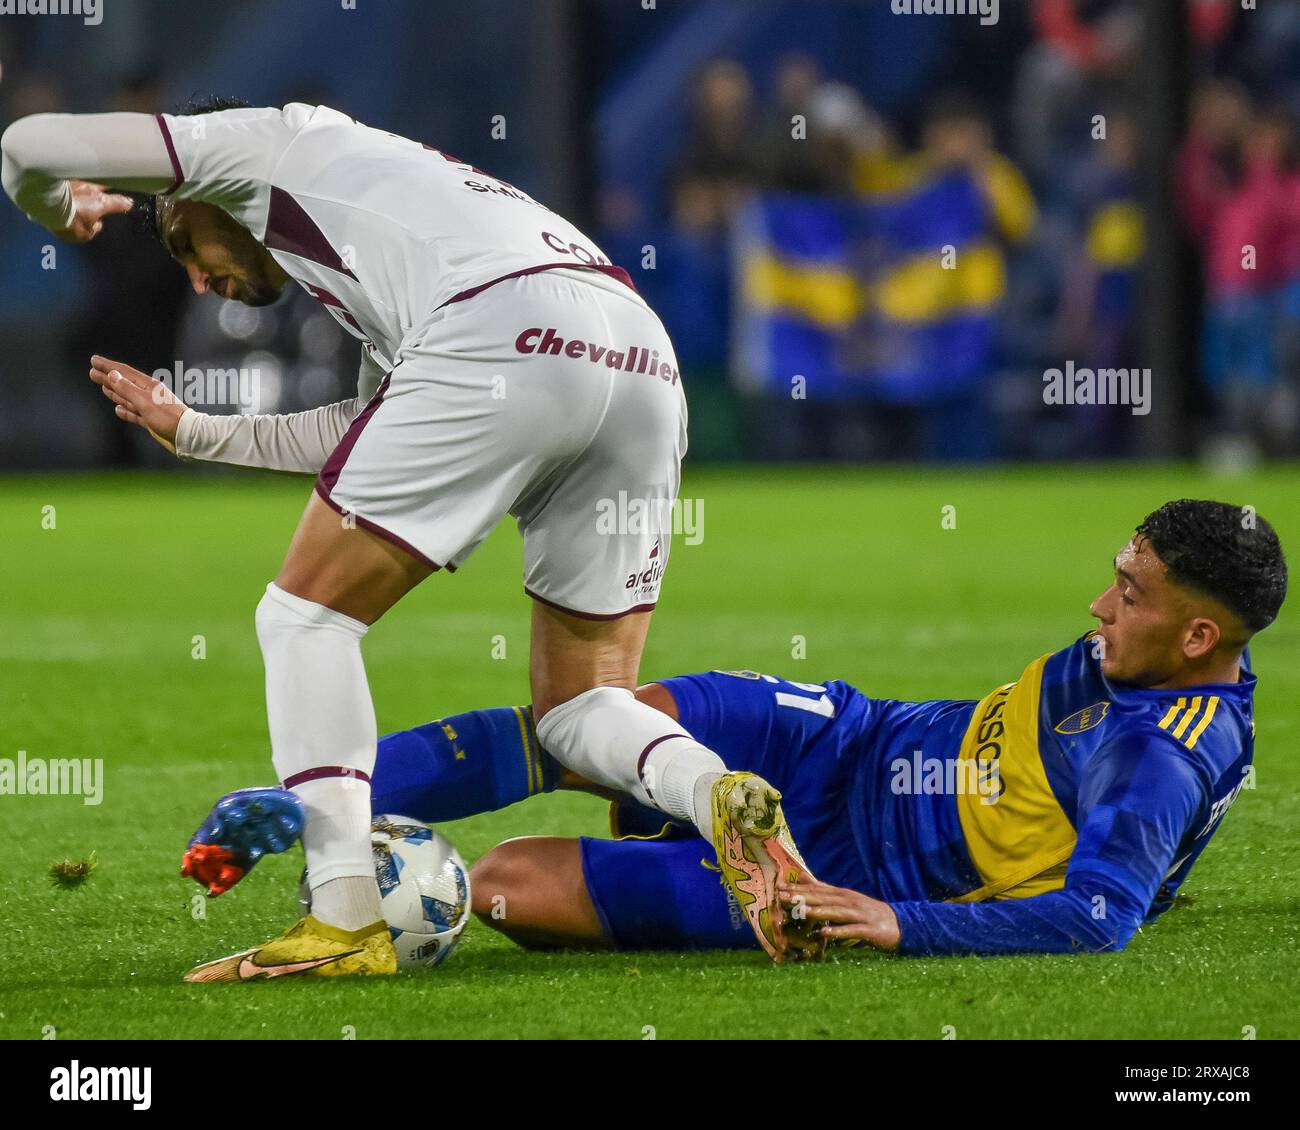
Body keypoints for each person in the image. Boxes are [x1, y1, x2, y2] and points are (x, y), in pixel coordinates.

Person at [1, 98, 818, 980]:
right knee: (580, 709)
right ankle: (715, 792)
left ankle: (345, 914)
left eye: (181, 245)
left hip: (501, 329)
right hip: (634, 352)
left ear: (196, 195)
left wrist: (61, 208)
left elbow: (24, 145)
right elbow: (371, 425)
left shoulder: (250, 145)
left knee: (305, 620)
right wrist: (200, 432)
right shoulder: (384, 210)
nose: (197, 279)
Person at [188, 500, 1285, 957]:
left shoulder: (1155, 754)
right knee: (586, 719)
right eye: (1113, 577)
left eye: (1130, 594)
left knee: (508, 881)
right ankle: (299, 804)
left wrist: (898, 923)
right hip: (842, 740)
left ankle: (707, 844)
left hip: (840, 865)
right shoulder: (1146, 669)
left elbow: (1099, 914)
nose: (1100, 605)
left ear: (1197, 635)